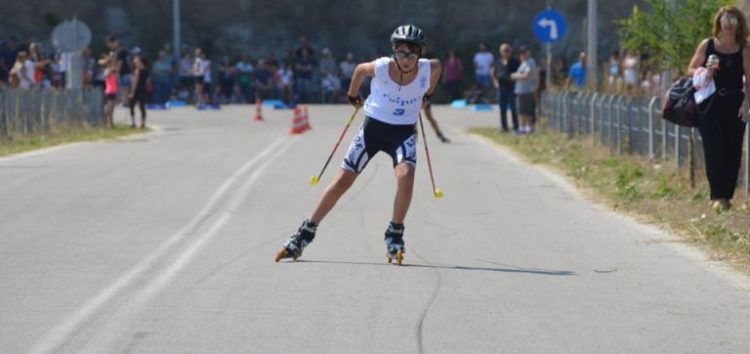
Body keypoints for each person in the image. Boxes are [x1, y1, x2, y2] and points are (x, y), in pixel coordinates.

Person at [275, 24, 442, 265]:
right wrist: (353, 96)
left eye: (413, 54)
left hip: (403, 132)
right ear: (395, 51)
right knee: (343, 180)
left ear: (420, 54)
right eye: (403, 53)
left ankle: (395, 233)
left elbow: (438, 68)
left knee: (406, 178)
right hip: (373, 129)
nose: (407, 60)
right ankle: (305, 232)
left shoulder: (428, 67)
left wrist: (428, 95)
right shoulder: (383, 66)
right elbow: (360, 70)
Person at [687, 6, 750, 212]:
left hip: (735, 104)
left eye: (733, 20)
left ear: (739, 24)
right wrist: (704, 70)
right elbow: (690, 68)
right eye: (726, 20)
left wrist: (746, 103)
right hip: (711, 104)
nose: (729, 24)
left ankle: (727, 195)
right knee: (713, 149)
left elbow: (749, 81)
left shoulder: (744, 48)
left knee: (733, 149)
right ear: (719, 23)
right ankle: (717, 196)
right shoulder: (708, 45)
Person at [491, 43, 520, 132]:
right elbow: (493, 72)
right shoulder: (498, 61)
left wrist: (515, 79)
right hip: (501, 87)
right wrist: (495, 82)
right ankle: (504, 127)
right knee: (502, 108)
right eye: (504, 51)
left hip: (511, 87)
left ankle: (516, 126)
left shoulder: (515, 61)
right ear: (501, 52)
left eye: (507, 50)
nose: (506, 52)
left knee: (513, 107)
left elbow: (519, 72)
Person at [510, 45, 538, 134]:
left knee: (523, 110)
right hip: (521, 89)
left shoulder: (529, 62)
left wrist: (514, 76)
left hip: (525, 90)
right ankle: (525, 127)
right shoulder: (524, 62)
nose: (523, 55)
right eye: (522, 53)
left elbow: (526, 76)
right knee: (523, 109)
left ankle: (524, 127)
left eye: (525, 52)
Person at [129, 55, 150, 129]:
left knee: (132, 105)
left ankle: (133, 122)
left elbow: (135, 82)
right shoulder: (146, 70)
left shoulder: (137, 70)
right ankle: (143, 123)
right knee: (142, 107)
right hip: (143, 89)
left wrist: (132, 92)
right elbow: (148, 82)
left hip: (137, 90)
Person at [102, 54, 118, 128]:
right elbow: (106, 75)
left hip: (114, 91)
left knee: (112, 109)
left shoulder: (113, 71)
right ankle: (105, 123)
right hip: (109, 91)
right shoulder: (107, 70)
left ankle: (111, 123)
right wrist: (111, 67)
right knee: (108, 109)